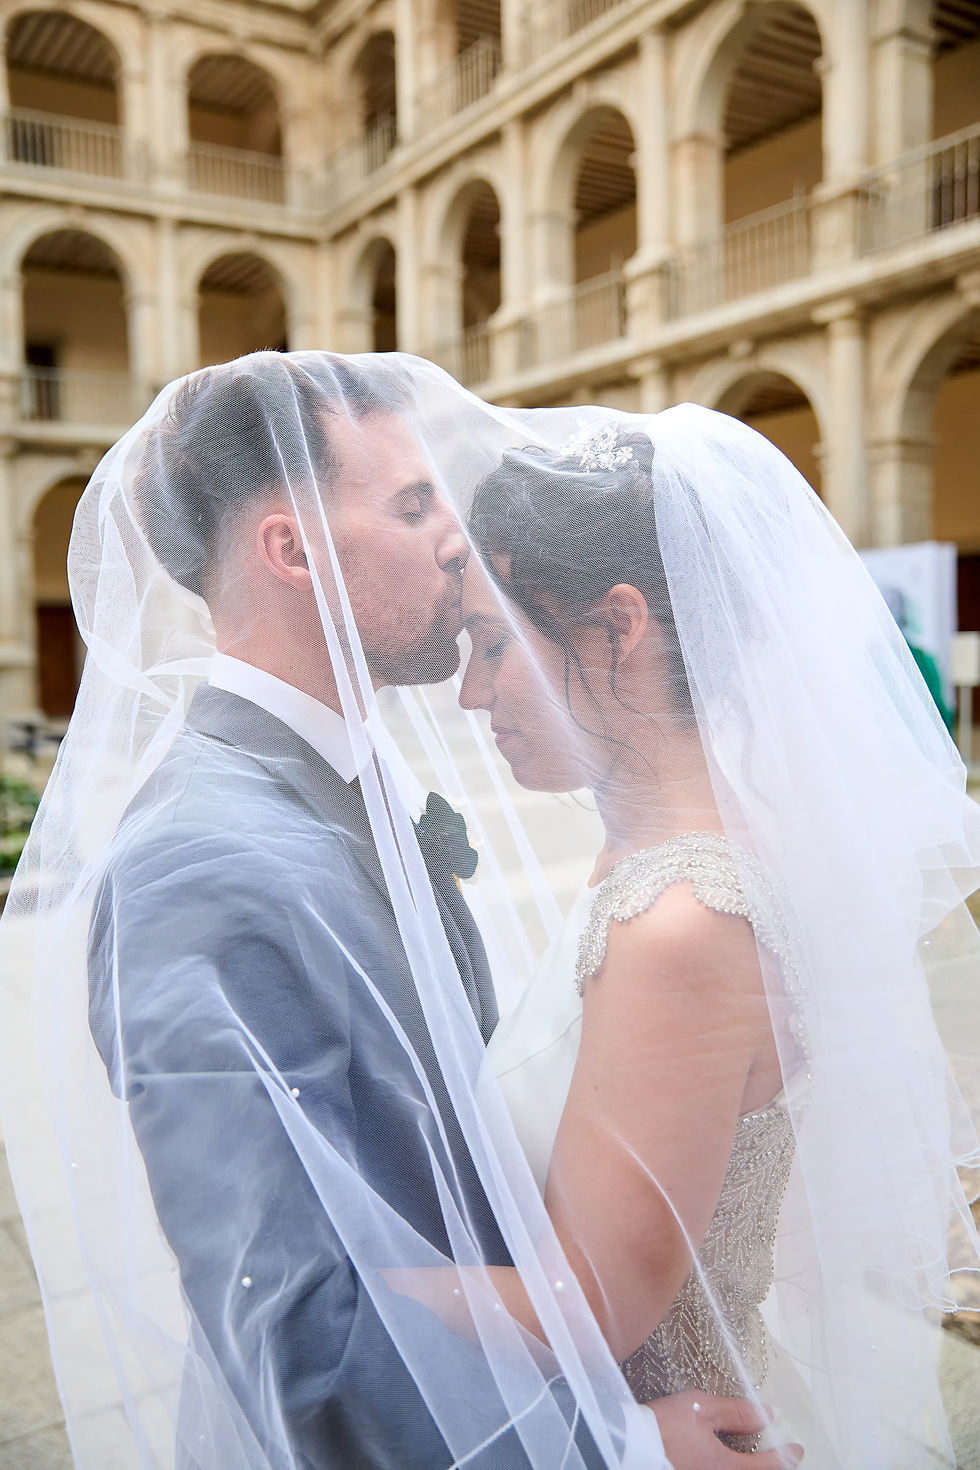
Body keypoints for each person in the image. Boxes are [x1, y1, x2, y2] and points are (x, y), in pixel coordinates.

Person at [0, 352, 781, 1470]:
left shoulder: (351, 778)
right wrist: (610, 1448)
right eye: (412, 506)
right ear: (292, 550)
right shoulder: (194, 864)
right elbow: (294, 1324)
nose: (455, 536)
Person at [450, 410, 980, 1469]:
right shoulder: (686, 861)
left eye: (495, 640)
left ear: (618, 625)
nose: (469, 693)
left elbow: (586, 1307)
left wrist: (327, 1272)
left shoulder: (682, 922)